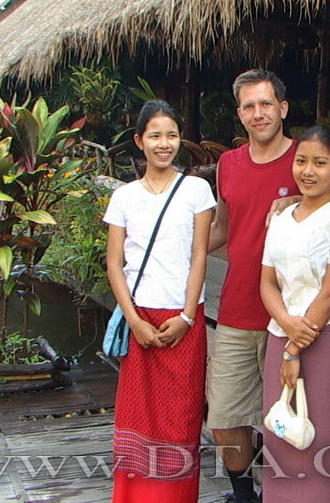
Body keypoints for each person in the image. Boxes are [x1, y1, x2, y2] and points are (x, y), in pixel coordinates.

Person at [104, 100, 216, 502]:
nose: (164, 144)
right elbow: (114, 263)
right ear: (139, 141)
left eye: (171, 135)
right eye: (155, 136)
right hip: (141, 318)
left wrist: (186, 316)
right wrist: (134, 320)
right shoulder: (124, 196)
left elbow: (200, 255)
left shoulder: (197, 190)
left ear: (180, 140)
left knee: (181, 419)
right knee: (138, 416)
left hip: (183, 319)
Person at [207, 69, 300, 503]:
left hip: (292, 315)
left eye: (266, 104)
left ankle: (282, 495)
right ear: (240, 114)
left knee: (288, 417)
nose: (258, 113)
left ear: (283, 108)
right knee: (225, 416)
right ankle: (244, 496)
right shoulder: (228, 163)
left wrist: (300, 199)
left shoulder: (305, 159)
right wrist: (173, 254)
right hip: (236, 309)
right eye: (249, 106)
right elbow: (222, 227)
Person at [260, 126, 330, 502]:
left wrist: (294, 349)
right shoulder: (281, 217)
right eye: (301, 161)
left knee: (321, 438)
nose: (308, 171)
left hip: (325, 338)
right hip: (280, 334)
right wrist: (286, 327)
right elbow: (267, 282)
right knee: (282, 431)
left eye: (320, 163)